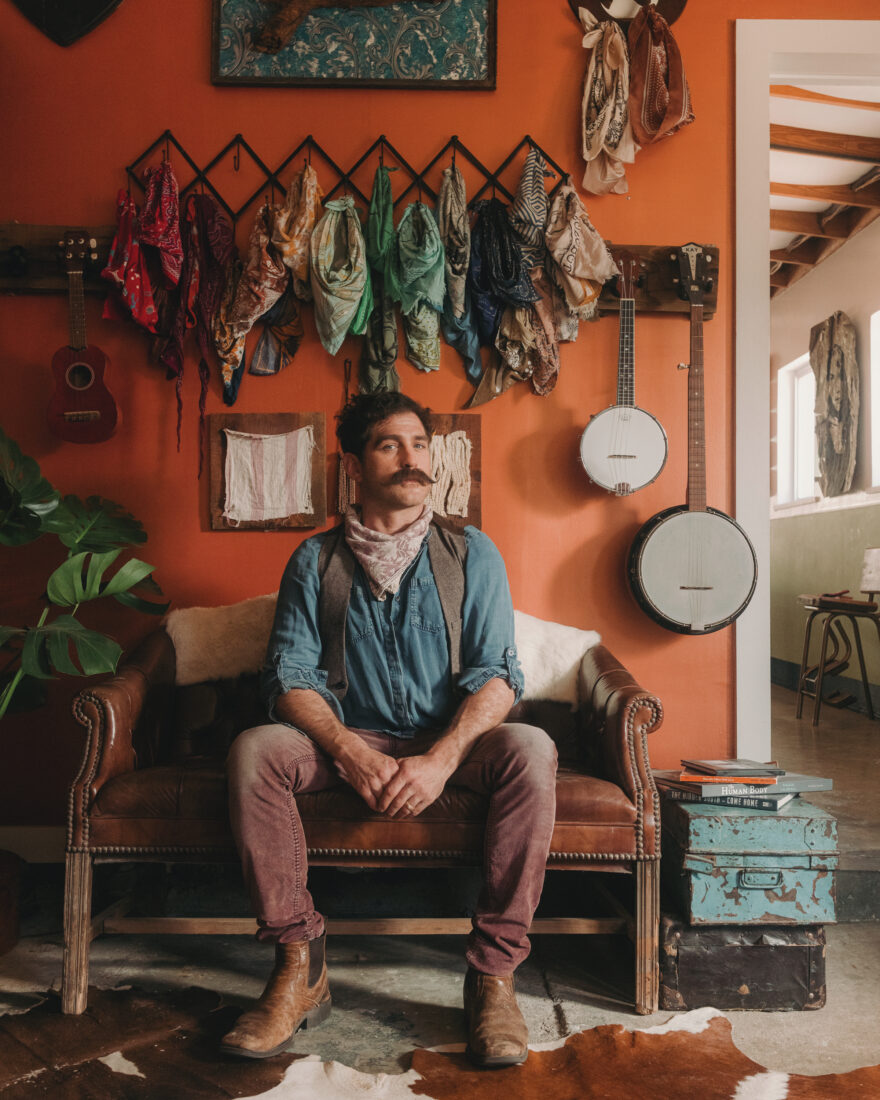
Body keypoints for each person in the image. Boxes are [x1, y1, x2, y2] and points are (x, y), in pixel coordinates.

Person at [222, 391, 558, 1067]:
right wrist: (346, 751)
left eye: (420, 444)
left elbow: (499, 673)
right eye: (389, 445)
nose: (413, 460)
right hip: (350, 739)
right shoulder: (314, 561)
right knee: (255, 750)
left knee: (532, 747)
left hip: (451, 743)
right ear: (353, 464)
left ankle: (493, 977)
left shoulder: (472, 554)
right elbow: (286, 674)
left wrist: (440, 759)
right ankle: (299, 967)